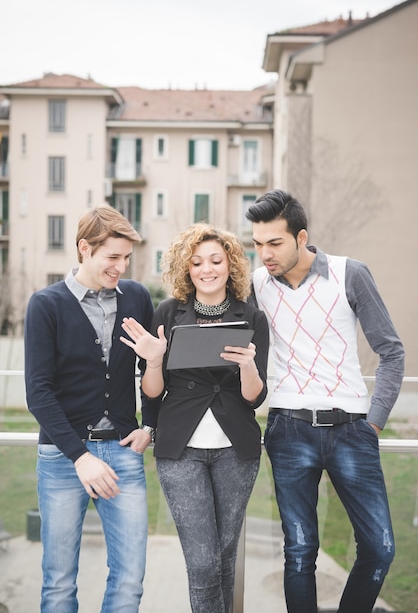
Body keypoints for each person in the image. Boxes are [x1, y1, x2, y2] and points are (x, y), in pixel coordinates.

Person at [245, 189, 405, 613]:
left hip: (353, 428)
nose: (264, 254)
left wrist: (373, 422)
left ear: (302, 237)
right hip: (288, 429)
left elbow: (391, 350)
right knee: (299, 552)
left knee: (380, 548)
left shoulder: (349, 273)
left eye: (274, 243)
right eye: (257, 244)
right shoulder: (257, 283)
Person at [120, 223, 269, 613]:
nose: (207, 269)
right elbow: (152, 391)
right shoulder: (168, 312)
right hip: (180, 449)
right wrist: (153, 360)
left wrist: (249, 365)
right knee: (202, 563)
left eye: (216, 261)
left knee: (222, 557)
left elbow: (254, 398)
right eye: (197, 262)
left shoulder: (251, 317)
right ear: (185, 268)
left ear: (230, 265)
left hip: (236, 450)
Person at [24, 205, 157, 612]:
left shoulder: (136, 297)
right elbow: (38, 392)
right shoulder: (45, 304)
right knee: (60, 583)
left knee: (130, 579)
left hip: (122, 452)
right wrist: (80, 457)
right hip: (64, 459)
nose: (121, 267)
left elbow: (151, 373)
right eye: (112, 257)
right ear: (85, 248)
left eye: (126, 258)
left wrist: (149, 424)